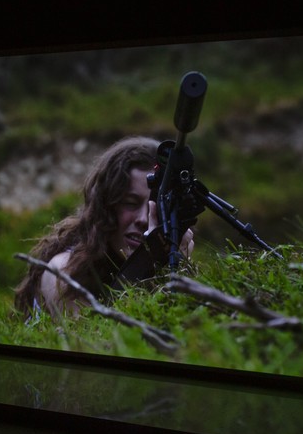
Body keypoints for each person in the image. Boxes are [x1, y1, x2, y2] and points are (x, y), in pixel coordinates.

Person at [14, 136, 196, 317]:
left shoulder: (163, 260)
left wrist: (176, 267)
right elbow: (104, 338)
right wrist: (149, 260)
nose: (143, 218)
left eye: (154, 205)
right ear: (105, 207)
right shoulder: (63, 272)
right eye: (130, 203)